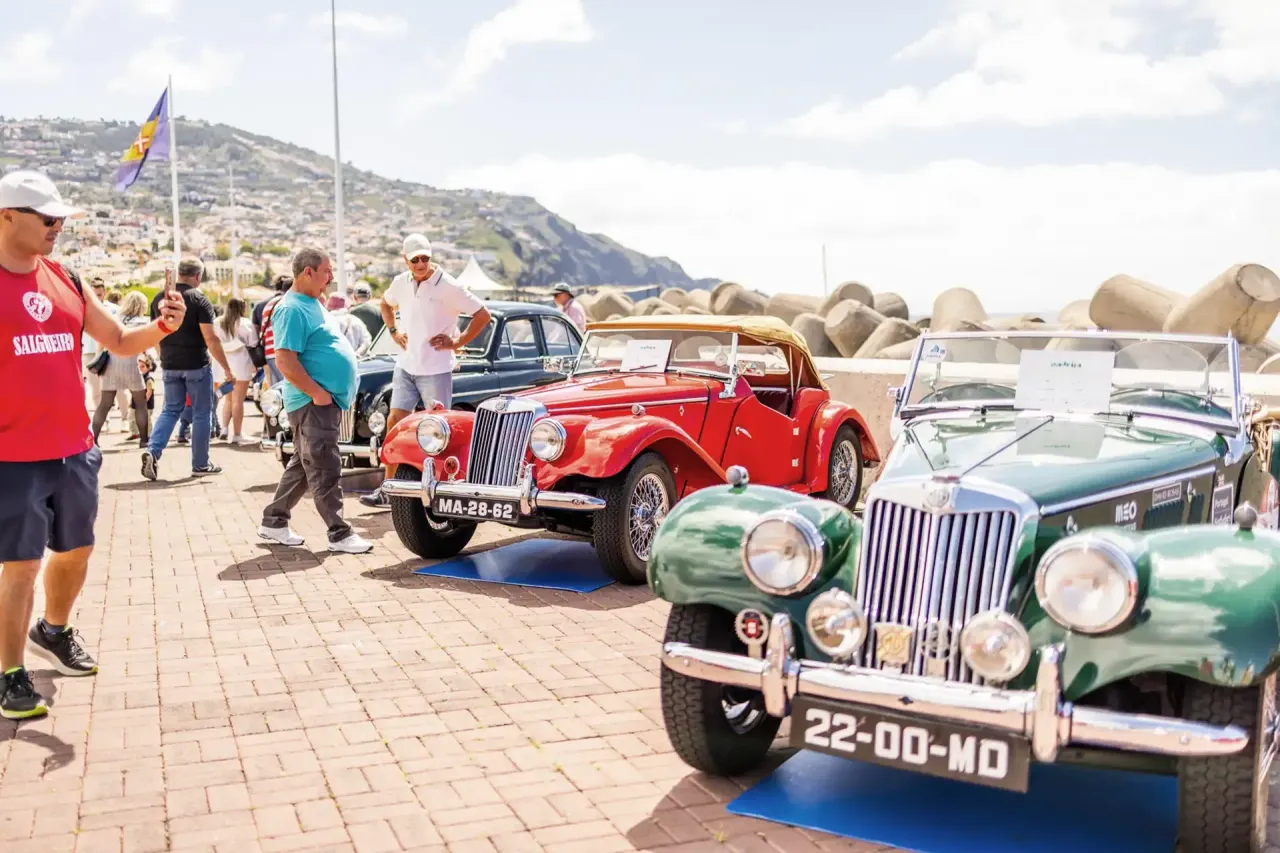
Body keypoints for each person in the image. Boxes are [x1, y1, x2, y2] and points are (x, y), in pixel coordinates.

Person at [0, 169, 186, 720]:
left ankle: (53, 630)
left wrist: (163, 327)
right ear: (6, 217)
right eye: (47, 218)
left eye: (61, 218)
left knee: (75, 551)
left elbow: (121, 340)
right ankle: (11, 674)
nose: (57, 226)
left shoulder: (67, 278)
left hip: (73, 449)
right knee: (20, 565)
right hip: (12, 455)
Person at [360, 234, 492, 508]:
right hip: (406, 365)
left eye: (425, 258)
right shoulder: (400, 282)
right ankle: (389, 489)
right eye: (415, 259)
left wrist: (457, 342)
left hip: (436, 369)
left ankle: (440, 492)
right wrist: (394, 332)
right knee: (394, 422)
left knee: (439, 431)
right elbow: (385, 304)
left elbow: (483, 315)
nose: (421, 264)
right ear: (405, 260)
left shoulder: (449, 285)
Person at [257, 248, 371, 554]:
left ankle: (274, 521)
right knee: (324, 467)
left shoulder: (312, 303)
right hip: (312, 403)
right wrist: (318, 393)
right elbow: (285, 361)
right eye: (326, 271)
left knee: (305, 464)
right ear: (308, 272)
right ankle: (340, 533)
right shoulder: (292, 308)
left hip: (320, 403)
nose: (331, 277)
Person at [141, 258, 233, 480]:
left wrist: (163, 356)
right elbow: (210, 338)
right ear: (198, 276)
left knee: (170, 410)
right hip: (196, 364)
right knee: (202, 413)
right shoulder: (199, 299)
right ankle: (200, 464)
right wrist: (226, 368)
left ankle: (153, 451)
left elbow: (155, 333)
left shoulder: (160, 298)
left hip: (170, 364)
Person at [91, 290, 152, 446]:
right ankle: (144, 440)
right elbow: (146, 344)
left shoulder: (113, 319)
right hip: (131, 363)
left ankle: (93, 440)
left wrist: (98, 360)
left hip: (111, 363)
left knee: (105, 404)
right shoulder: (142, 322)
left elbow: (101, 342)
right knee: (140, 403)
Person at [213, 297, 259, 443]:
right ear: (242, 308)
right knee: (238, 401)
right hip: (241, 365)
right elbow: (254, 343)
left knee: (228, 399)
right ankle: (237, 434)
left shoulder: (217, 322)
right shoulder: (246, 323)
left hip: (224, 366)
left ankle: (224, 428)